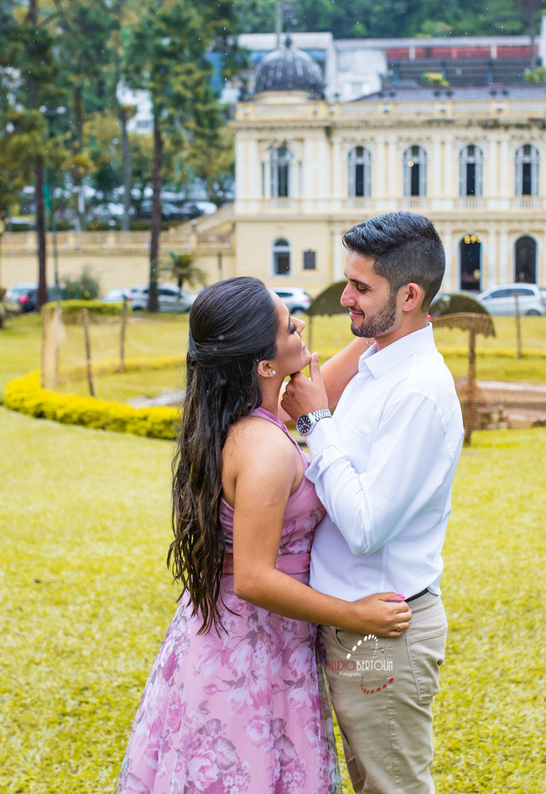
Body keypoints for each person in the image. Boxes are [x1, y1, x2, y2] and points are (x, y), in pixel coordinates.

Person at [115, 276, 412, 794]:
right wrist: (353, 614)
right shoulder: (266, 449)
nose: (300, 326)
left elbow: (331, 376)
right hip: (251, 648)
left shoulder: (247, 416)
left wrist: (392, 311)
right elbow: (253, 577)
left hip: (232, 635)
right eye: (287, 325)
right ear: (264, 365)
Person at [282, 212, 465, 794]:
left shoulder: (418, 392)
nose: (345, 299)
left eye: (361, 287)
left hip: (384, 635)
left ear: (409, 296)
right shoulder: (373, 362)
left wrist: (317, 422)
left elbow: (364, 526)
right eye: (348, 282)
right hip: (348, 623)